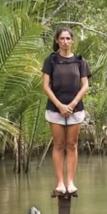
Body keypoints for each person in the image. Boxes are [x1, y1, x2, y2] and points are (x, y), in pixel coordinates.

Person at [42, 27, 91, 194]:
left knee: (71, 144)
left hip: (75, 109)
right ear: (57, 40)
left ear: (72, 40)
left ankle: (70, 182)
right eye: (61, 38)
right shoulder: (51, 60)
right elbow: (45, 86)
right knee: (58, 144)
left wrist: (72, 104)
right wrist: (60, 106)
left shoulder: (80, 61)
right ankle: (60, 183)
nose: (65, 41)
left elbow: (85, 85)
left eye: (68, 38)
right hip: (55, 109)